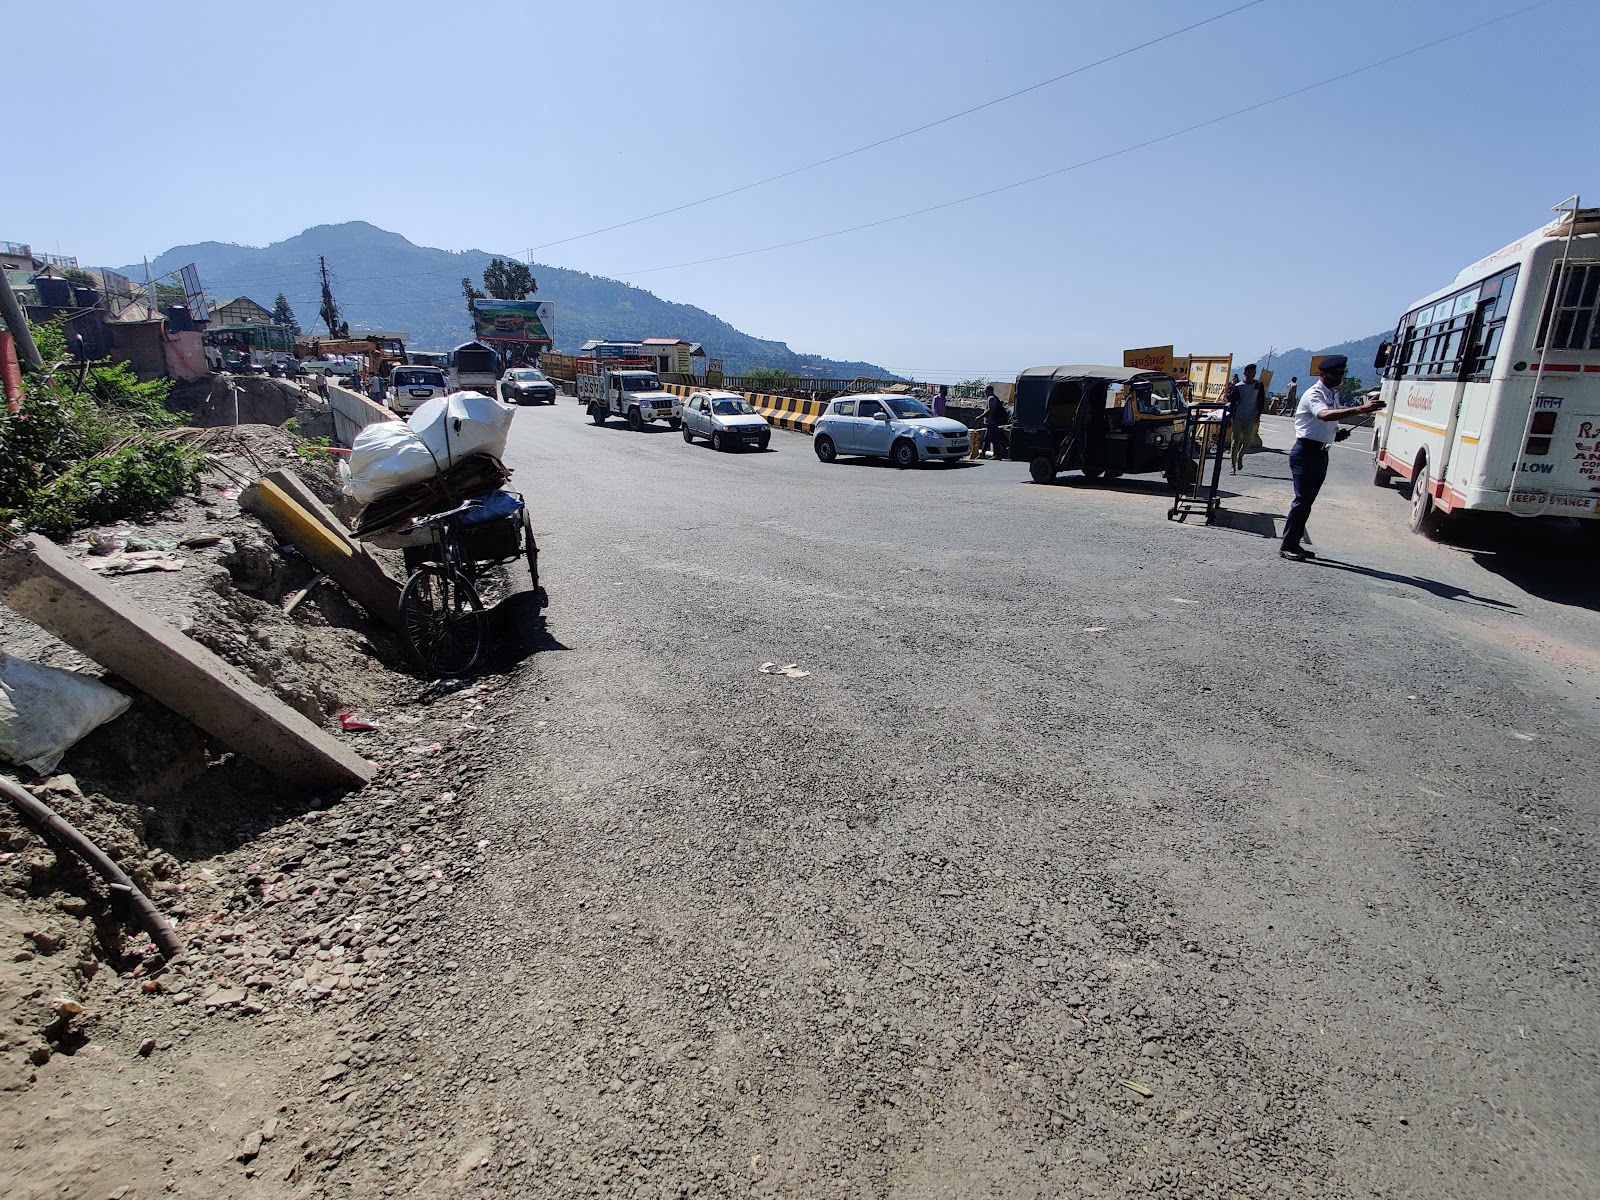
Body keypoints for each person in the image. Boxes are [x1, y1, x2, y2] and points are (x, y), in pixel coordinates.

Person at [1280, 356, 1384, 561]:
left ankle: (1295, 543)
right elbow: (1324, 415)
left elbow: (1325, 424)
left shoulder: (1332, 394)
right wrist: (1360, 409)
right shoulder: (1314, 394)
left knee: (1307, 502)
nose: (1339, 378)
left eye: (1342, 374)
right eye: (1335, 374)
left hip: (1320, 452)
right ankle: (1288, 545)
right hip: (1305, 453)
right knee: (1301, 501)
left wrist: (1336, 435)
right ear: (1323, 374)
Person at [1225, 363, 1266, 474]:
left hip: (1250, 417)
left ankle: (1240, 457)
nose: (1249, 375)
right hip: (1238, 416)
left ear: (1254, 374)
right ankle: (1232, 466)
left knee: (1247, 442)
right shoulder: (1238, 386)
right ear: (1244, 373)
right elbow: (1233, 403)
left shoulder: (1258, 385)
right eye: (1248, 372)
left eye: (1252, 373)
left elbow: (1261, 401)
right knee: (1235, 442)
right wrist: (1231, 417)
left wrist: (1258, 415)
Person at [979, 385, 1007, 459]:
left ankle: (997, 454)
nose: (985, 392)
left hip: (992, 422)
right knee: (987, 439)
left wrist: (980, 416)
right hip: (992, 422)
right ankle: (983, 453)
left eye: (986, 391)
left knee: (993, 439)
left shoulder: (991, 398)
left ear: (989, 391)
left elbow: (990, 410)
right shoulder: (993, 398)